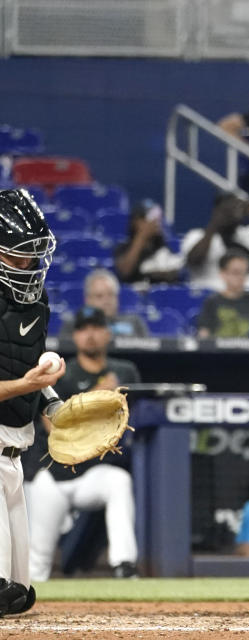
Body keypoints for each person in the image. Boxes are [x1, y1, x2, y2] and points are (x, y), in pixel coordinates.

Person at [27, 306, 140, 582]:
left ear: (107, 333)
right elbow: (53, 427)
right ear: (75, 335)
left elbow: (136, 416)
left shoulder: (125, 372)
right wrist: (94, 397)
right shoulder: (59, 373)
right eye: (83, 329)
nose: (90, 335)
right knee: (37, 560)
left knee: (119, 482)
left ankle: (124, 565)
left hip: (94, 471)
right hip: (53, 474)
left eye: (96, 327)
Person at [0, 189, 65, 616]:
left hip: (15, 452)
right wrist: (25, 384)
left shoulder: (36, 302)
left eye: (35, 254)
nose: (30, 265)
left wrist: (55, 406)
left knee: (19, 596)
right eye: (21, 255)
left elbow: (31, 375)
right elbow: (22, 380)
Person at [181, 193, 249, 291]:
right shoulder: (197, 236)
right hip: (213, 295)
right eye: (225, 210)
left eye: (235, 208)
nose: (231, 213)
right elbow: (194, 260)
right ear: (216, 211)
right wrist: (214, 224)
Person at [58, 269, 149, 339]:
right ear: (87, 300)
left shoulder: (135, 322)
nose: (106, 301)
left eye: (110, 295)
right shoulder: (74, 325)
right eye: (99, 296)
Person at [112, 199, 183, 284]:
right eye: (150, 218)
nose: (155, 222)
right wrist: (142, 236)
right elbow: (125, 271)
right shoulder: (123, 248)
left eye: (158, 218)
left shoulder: (162, 247)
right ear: (136, 222)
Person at [196, 251, 249, 338]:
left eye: (244, 273)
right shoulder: (212, 302)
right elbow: (204, 333)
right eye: (236, 272)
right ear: (223, 274)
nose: (241, 277)